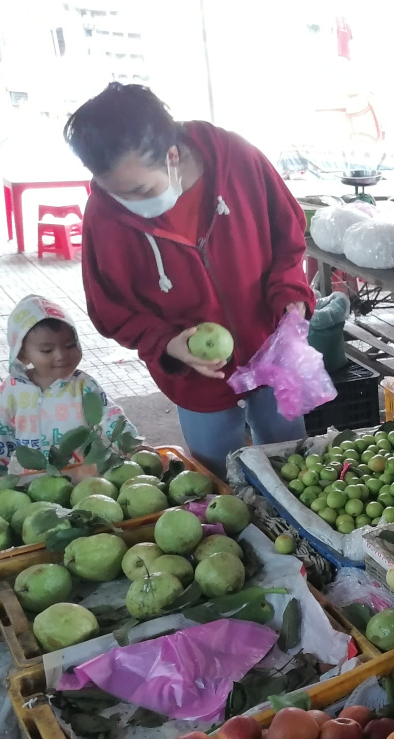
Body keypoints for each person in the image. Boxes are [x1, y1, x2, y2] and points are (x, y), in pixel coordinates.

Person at [63, 83, 314, 479]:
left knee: (293, 466)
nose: (129, 203)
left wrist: (290, 295)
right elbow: (112, 309)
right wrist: (167, 344)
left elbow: (289, 236)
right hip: (193, 376)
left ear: (172, 155)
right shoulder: (105, 214)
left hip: (273, 349)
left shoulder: (238, 159)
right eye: (115, 193)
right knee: (217, 482)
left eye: (140, 190)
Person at [0, 295, 133, 475]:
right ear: (22, 354)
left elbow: (111, 415)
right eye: (47, 350)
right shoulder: (12, 390)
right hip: (36, 478)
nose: (61, 355)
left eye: (70, 345)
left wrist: (131, 444)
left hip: (84, 477)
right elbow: (1, 428)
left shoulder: (83, 385)